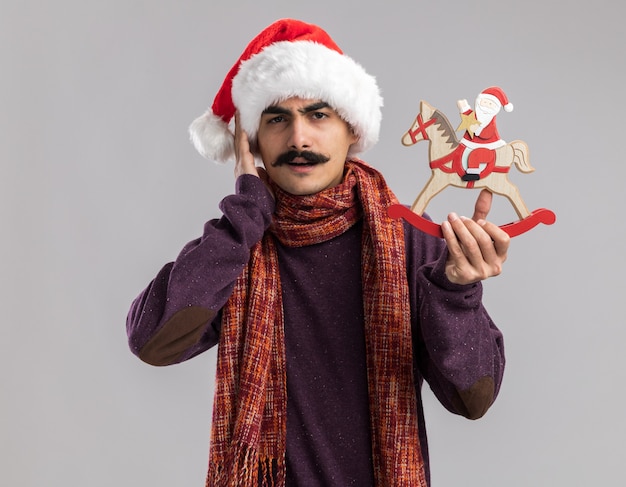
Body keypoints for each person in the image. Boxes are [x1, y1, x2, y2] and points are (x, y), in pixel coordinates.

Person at [126, 18, 507, 487]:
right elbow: (151, 341)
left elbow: (472, 398)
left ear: (352, 129)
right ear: (252, 144)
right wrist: (244, 217)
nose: (299, 139)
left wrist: (456, 291)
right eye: (276, 119)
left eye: (319, 115)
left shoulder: (413, 241)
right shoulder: (234, 246)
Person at [457, 86, 514, 181]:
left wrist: (477, 129)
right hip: (468, 143)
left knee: (476, 155)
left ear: (496, 108)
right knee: (457, 150)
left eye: (490, 104)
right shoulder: (476, 115)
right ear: (479, 101)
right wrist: (463, 107)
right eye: (485, 102)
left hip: (488, 147)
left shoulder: (490, 122)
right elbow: (468, 117)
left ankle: (473, 174)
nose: (486, 106)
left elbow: (487, 134)